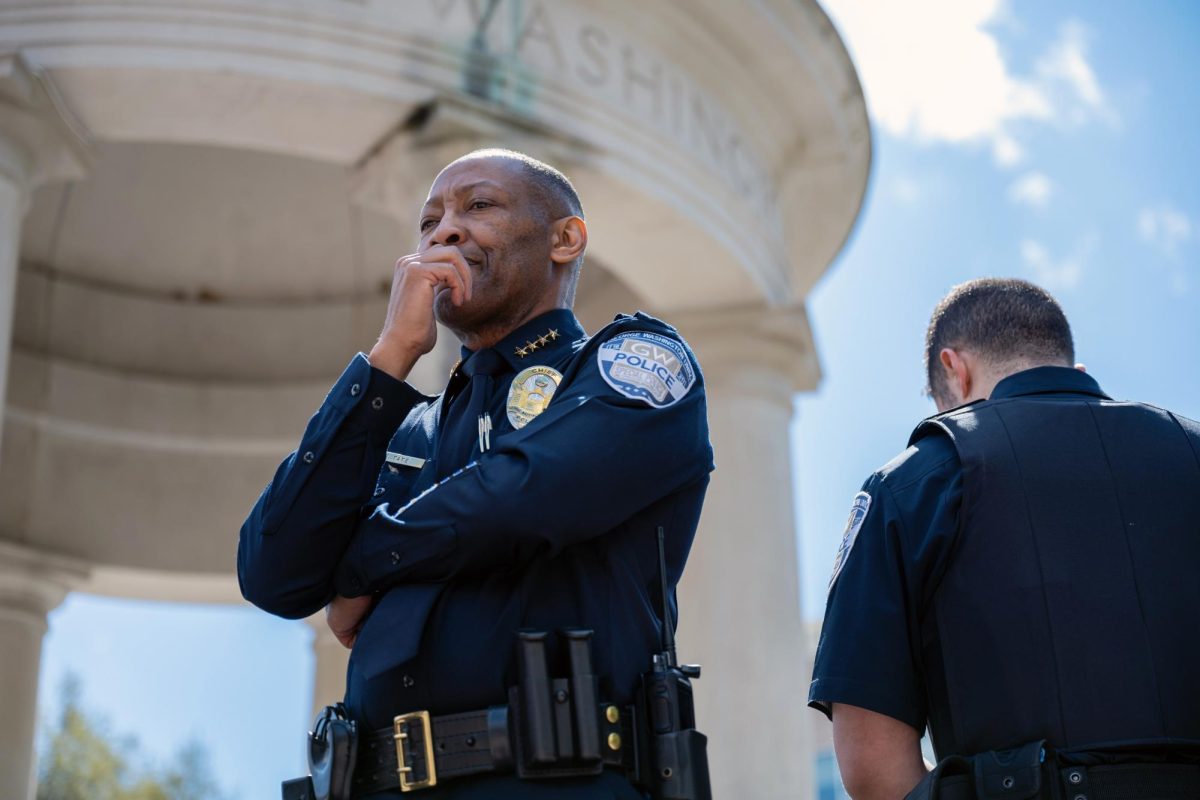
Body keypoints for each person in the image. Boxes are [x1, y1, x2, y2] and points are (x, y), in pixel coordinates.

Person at [238, 149, 714, 799]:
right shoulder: (400, 429)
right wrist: (387, 362)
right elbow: (274, 573)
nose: (445, 231)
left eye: (479, 206)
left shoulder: (633, 365)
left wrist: (359, 566)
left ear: (565, 238)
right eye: (430, 220)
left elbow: (528, 494)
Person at [808, 278, 1200, 800]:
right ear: (1072, 370)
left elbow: (873, 769)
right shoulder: (1191, 451)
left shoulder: (911, 485)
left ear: (955, 368)